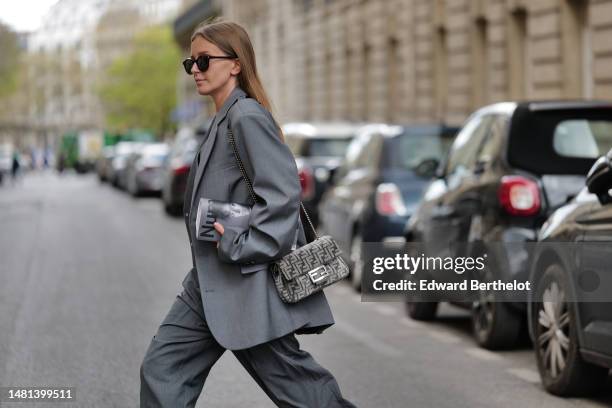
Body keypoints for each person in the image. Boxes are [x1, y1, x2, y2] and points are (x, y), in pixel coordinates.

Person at [139, 20, 357, 408]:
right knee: (162, 371)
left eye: (204, 61)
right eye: (191, 63)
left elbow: (283, 195)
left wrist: (241, 244)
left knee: (301, 388)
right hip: (208, 283)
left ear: (235, 64)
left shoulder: (247, 118)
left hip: (245, 283)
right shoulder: (222, 119)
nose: (195, 71)